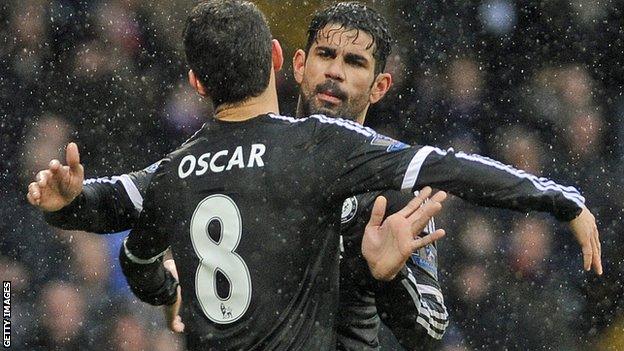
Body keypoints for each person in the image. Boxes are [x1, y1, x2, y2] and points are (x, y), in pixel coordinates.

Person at [28, 0, 600, 349]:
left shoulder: (393, 189)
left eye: (354, 63)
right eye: (325, 55)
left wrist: (389, 275)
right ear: (294, 64)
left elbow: (427, 337)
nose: (334, 73)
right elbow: (136, 246)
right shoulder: (228, 158)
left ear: (379, 87)